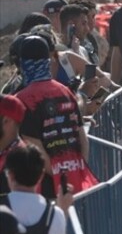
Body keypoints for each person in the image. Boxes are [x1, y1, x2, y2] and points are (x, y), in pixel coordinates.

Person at [11, 36, 96, 195]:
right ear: (48, 61)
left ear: (23, 64)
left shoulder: (21, 101)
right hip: (77, 183)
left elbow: (35, 149)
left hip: (48, 189)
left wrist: (61, 176)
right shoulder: (66, 92)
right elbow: (82, 137)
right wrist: (78, 170)